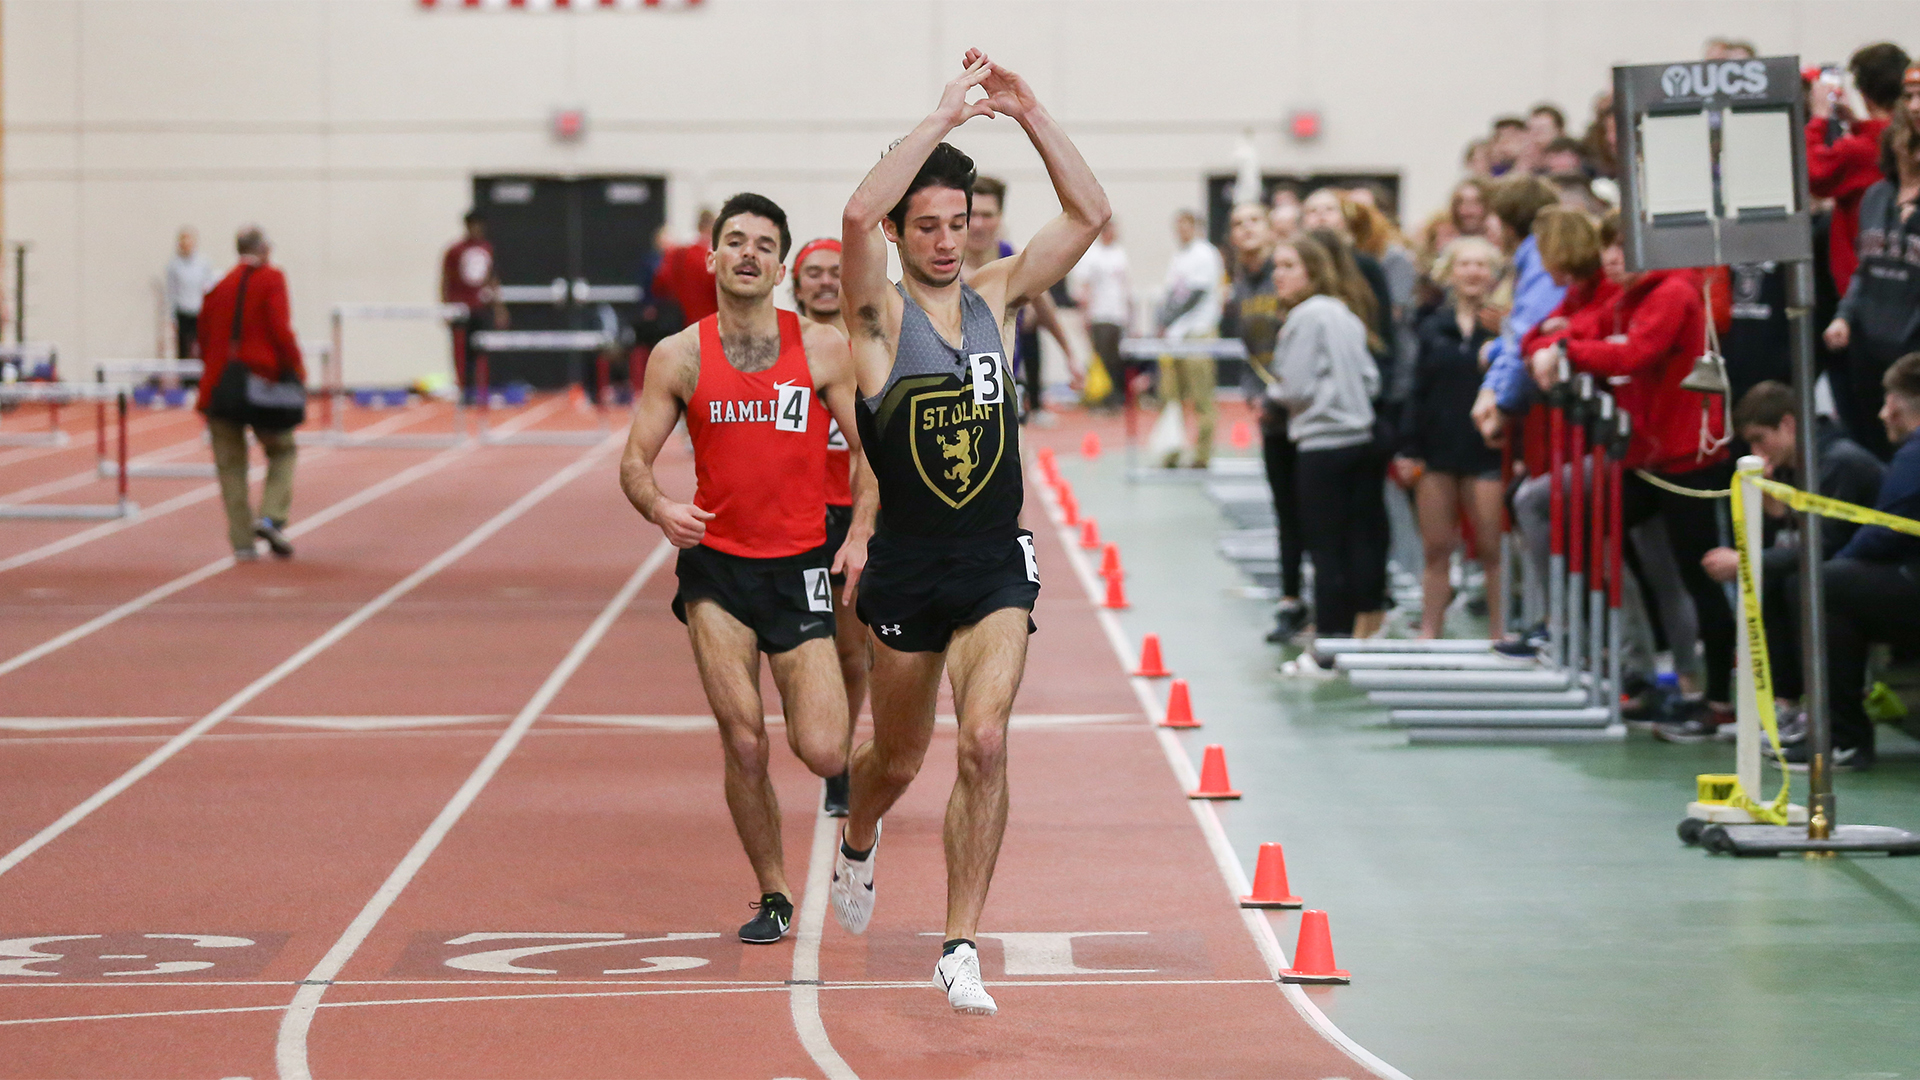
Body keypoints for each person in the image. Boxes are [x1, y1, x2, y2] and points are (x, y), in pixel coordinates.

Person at [834, 49, 1108, 1015]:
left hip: (995, 559)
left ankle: (959, 943)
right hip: (908, 568)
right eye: (930, 227)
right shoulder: (875, 322)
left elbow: (1088, 217)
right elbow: (857, 218)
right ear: (905, 233)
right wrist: (943, 116)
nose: (947, 242)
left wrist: (1031, 110)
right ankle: (858, 836)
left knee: (984, 741)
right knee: (896, 762)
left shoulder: (996, 297)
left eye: (958, 224)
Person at [618, 193, 872, 946]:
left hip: (798, 568)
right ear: (713, 257)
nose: (749, 253)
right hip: (716, 575)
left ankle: (863, 812)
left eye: (765, 243)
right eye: (736, 241)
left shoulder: (823, 348)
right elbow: (633, 462)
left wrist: (859, 531)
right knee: (745, 741)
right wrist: (660, 507)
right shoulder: (680, 356)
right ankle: (774, 893)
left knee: (825, 748)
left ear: (781, 266)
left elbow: (871, 457)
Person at [1529, 226, 1735, 740]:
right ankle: (1637, 662)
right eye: (1608, 249)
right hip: (1647, 456)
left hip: (1689, 457)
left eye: (1623, 248)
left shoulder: (1672, 293)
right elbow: (1554, 332)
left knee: (1701, 574)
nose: (1613, 259)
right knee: (1587, 523)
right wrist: (1555, 342)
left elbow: (1634, 354)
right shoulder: (1628, 299)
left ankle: (1714, 701)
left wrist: (1566, 350)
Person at [1698, 381, 1884, 737]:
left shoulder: (1838, 462)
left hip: (1880, 573)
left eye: (1759, 439)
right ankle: (1786, 703)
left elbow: (1824, 546)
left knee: (1798, 581)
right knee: (1778, 577)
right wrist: (1773, 510)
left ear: (1787, 424)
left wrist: (1746, 562)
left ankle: (1819, 714)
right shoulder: (1799, 462)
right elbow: (1799, 538)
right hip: (1851, 565)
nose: (1755, 451)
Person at [1773, 353, 1920, 771]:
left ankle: (1843, 738)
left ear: (1894, 405)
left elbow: (1885, 530)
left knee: (1822, 587)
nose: (1881, 413)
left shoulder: (1913, 454)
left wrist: (1835, 565)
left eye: (1886, 401)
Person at [1270, 235, 1385, 646]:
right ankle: (1357, 631)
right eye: (1276, 266)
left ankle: (1330, 638)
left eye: (1288, 266)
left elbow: (1295, 388)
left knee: (1325, 547)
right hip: (1360, 440)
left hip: (1321, 445)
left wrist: (1273, 391)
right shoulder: (1347, 314)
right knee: (1359, 540)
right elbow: (1371, 380)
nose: (1277, 275)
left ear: (1312, 271)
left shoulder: (1304, 318)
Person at [1397, 236, 1505, 639]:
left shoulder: (1503, 324)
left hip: (1486, 450)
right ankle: (1430, 630)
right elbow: (1416, 388)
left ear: (1492, 274)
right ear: (1451, 272)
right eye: (1465, 264)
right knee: (1437, 547)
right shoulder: (1430, 325)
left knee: (1492, 548)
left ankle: (1499, 632)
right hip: (1437, 449)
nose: (1473, 272)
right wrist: (1408, 447)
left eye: (1481, 264)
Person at [791, 235, 863, 817]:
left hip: (859, 514)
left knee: (851, 649)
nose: (823, 281)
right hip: (799, 519)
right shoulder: (783, 350)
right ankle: (827, 746)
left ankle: (840, 761)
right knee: (808, 644)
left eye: (833, 272)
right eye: (811, 273)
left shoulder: (868, 344)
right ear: (795, 284)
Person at [1219, 202, 1306, 641]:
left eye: (1254, 220)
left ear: (1271, 228)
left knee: (1316, 510)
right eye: (1237, 223)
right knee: (1286, 510)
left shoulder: (1287, 270)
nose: (1246, 228)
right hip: (1272, 411)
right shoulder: (1241, 281)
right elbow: (1248, 349)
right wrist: (1254, 394)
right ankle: (1292, 601)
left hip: (1307, 407)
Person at [196, 225, 303, 562]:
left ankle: (242, 542)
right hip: (261, 385)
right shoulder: (271, 279)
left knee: (230, 467)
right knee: (282, 449)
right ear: (265, 249)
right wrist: (295, 370)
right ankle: (271, 516)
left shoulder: (218, 285)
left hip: (219, 389)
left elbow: (202, 334)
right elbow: (280, 330)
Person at [1822, 91, 1920, 460]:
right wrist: (1843, 317)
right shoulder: (1877, 196)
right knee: (1873, 442)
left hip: (1911, 351)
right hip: (1868, 346)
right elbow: (1863, 269)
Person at [1807, 43, 1911, 298]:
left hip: (1866, 287)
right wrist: (1856, 123)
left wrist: (1819, 117)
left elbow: (1814, 175)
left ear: (1863, 92)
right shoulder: (1902, 141)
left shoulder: (1859, 151)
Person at [1470, 176, 1567, 447]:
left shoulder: (1540, 262)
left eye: (1492, 216)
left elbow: (1526, 337)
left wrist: (1501, 401)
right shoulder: (1531, 260)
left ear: (1508, 223)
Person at [1156, 208, 1224, 468]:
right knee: (1171, 396)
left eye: (1186, 225)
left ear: (1196, 227)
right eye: (1177, 226)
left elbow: (1195, 294)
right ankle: (1172, 449)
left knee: (1201, 396)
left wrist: (1167, 319)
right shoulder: (1178, 256)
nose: (1181, 231)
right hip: (1177, 336)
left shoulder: (1204, 254)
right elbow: (1171, 293)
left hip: (1199, 332)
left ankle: (1202, 454)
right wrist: (1163, 322)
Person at [440, 211, 509, 399]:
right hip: (460, 308)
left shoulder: (487, 249)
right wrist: (445, 308)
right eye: (473, 225)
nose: (477, 229)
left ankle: (482, 389)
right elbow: (446, 280)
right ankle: (464, 390)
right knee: (461, 351)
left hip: (481, 307)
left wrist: (499, 308)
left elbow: (491, 279)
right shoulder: (454, 251)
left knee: (481, 350)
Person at [1068, 217, 1131, 405]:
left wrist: (1129, 314)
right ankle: (1100, 397)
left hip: (1117, 314)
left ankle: (1115, 396)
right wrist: (1085, 316)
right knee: (1100, 358)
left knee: (1116, 358)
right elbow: (1085, 287)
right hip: (1099, 314)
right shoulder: (1092, 255)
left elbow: (1125, 285)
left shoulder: (1120, 253)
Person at [652, 207, 721, 331]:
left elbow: (660, 284)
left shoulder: (680, 254)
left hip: (683, 322)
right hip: (711, 322)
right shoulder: (714, 259)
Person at [165, 227, 215, 368]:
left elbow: (208, 287)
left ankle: (200, 378)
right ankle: (184, 381)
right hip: (183, 311)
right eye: (183, 241)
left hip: (199, 311)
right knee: (183, 350)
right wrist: (172, 317)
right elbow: (171, 293)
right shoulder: (173, 265)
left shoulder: (203, 263)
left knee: (201, 347)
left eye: (189, 241)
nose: (186, 244)